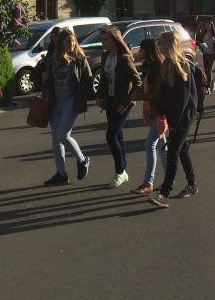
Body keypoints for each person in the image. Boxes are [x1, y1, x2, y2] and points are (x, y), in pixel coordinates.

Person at [149, 31, 198, 208]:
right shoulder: (167, 64)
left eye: (161, 43)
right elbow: (165, 94)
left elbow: (183, 98)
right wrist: (162, 113)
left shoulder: (181, 65)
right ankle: (192, 184)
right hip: (175, 116)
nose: (158, 46)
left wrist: (175, 122)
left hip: (184, 115)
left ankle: (165, 194)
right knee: (182, 149)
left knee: (173, 152)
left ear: (169, 45)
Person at [42, 28, 92, 186]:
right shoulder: (53, 60)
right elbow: (42, 77)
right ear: (60, 44)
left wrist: (84, 96)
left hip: (71, 101)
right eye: (68, 42)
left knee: (63, 135)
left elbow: (88, 79)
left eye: (73, 41)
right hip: (56, 101)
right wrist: (44, 78)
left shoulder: (79, 59)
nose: (72, 44)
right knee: (55, 138)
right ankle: (61, 174)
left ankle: (82, 160)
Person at [96, 25, 142, 188]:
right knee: (117, 136)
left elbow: (137, 82)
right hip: (110, 100)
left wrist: (126, 102)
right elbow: (104, 78)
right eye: (103, 40)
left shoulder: (124, 59)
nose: (103, 43)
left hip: (123, 103)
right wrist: (99, 96)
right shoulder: (105, 56)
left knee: (111, 136)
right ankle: (123, 170)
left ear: (115, 41)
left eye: (106, 40)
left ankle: (120, 171)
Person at [131, 38, 168, 195]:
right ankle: (169, 180)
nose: (139, 52)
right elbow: (146, 88)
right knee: (162, 146)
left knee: (150, 145)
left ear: (148, 51)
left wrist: (139, 96)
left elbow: (156, 95)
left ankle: (148, 183)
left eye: (141, 49)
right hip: (152, 111)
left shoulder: (157, 69)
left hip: (159, 112)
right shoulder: (148, 67)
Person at [197, 18, 215, 93]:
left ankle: (208, 87)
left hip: (212, 54)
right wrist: (200, 44)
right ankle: (212, 81)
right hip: (205, 54)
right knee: (206, 70)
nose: (207, 27)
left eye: (209, 25)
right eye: (206, 25)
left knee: (209, 70)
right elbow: (199, 41)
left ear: (212, 26)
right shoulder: (203, 34)